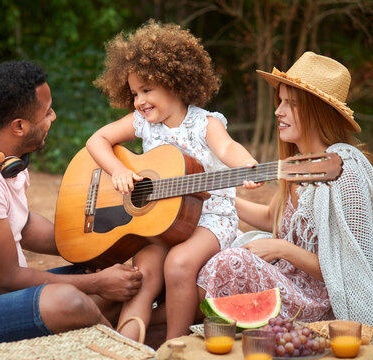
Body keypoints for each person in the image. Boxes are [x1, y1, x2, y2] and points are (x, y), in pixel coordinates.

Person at [0, 60, 143, 359]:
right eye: (47, 112)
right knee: (71, 300)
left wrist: (100, 244)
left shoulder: (3, 155)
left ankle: (110, 338)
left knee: (107, 277)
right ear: (19, 126)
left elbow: (25, 225)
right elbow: (5, 280)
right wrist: (97, 282)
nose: (53, 116)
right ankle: (126, 353)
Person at [196, 51, 373, 348]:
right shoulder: (297, 163)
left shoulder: (344, 174)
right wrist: (211, 199)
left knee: (234, 259)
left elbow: (349, 268)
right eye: (280, 101)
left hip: (320, 302)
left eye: (291, 104)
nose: (278, 112)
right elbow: (272, 218)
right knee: (215, 237)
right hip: (288, 283)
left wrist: (282, 248)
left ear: (317, 112)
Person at [87, 20, 258, 342]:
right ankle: (129, 343)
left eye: (147, 90)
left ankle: (174, 346)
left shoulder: (204, 123)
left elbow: (227, 147)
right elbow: (97, 140)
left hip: (210, 218)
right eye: (135, 92)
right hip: (161, 219)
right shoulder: (143, 124)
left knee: (178, 265)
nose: (139, 101)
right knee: (144, 273)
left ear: (176, 83)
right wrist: (118, 171)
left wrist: (246, 164)